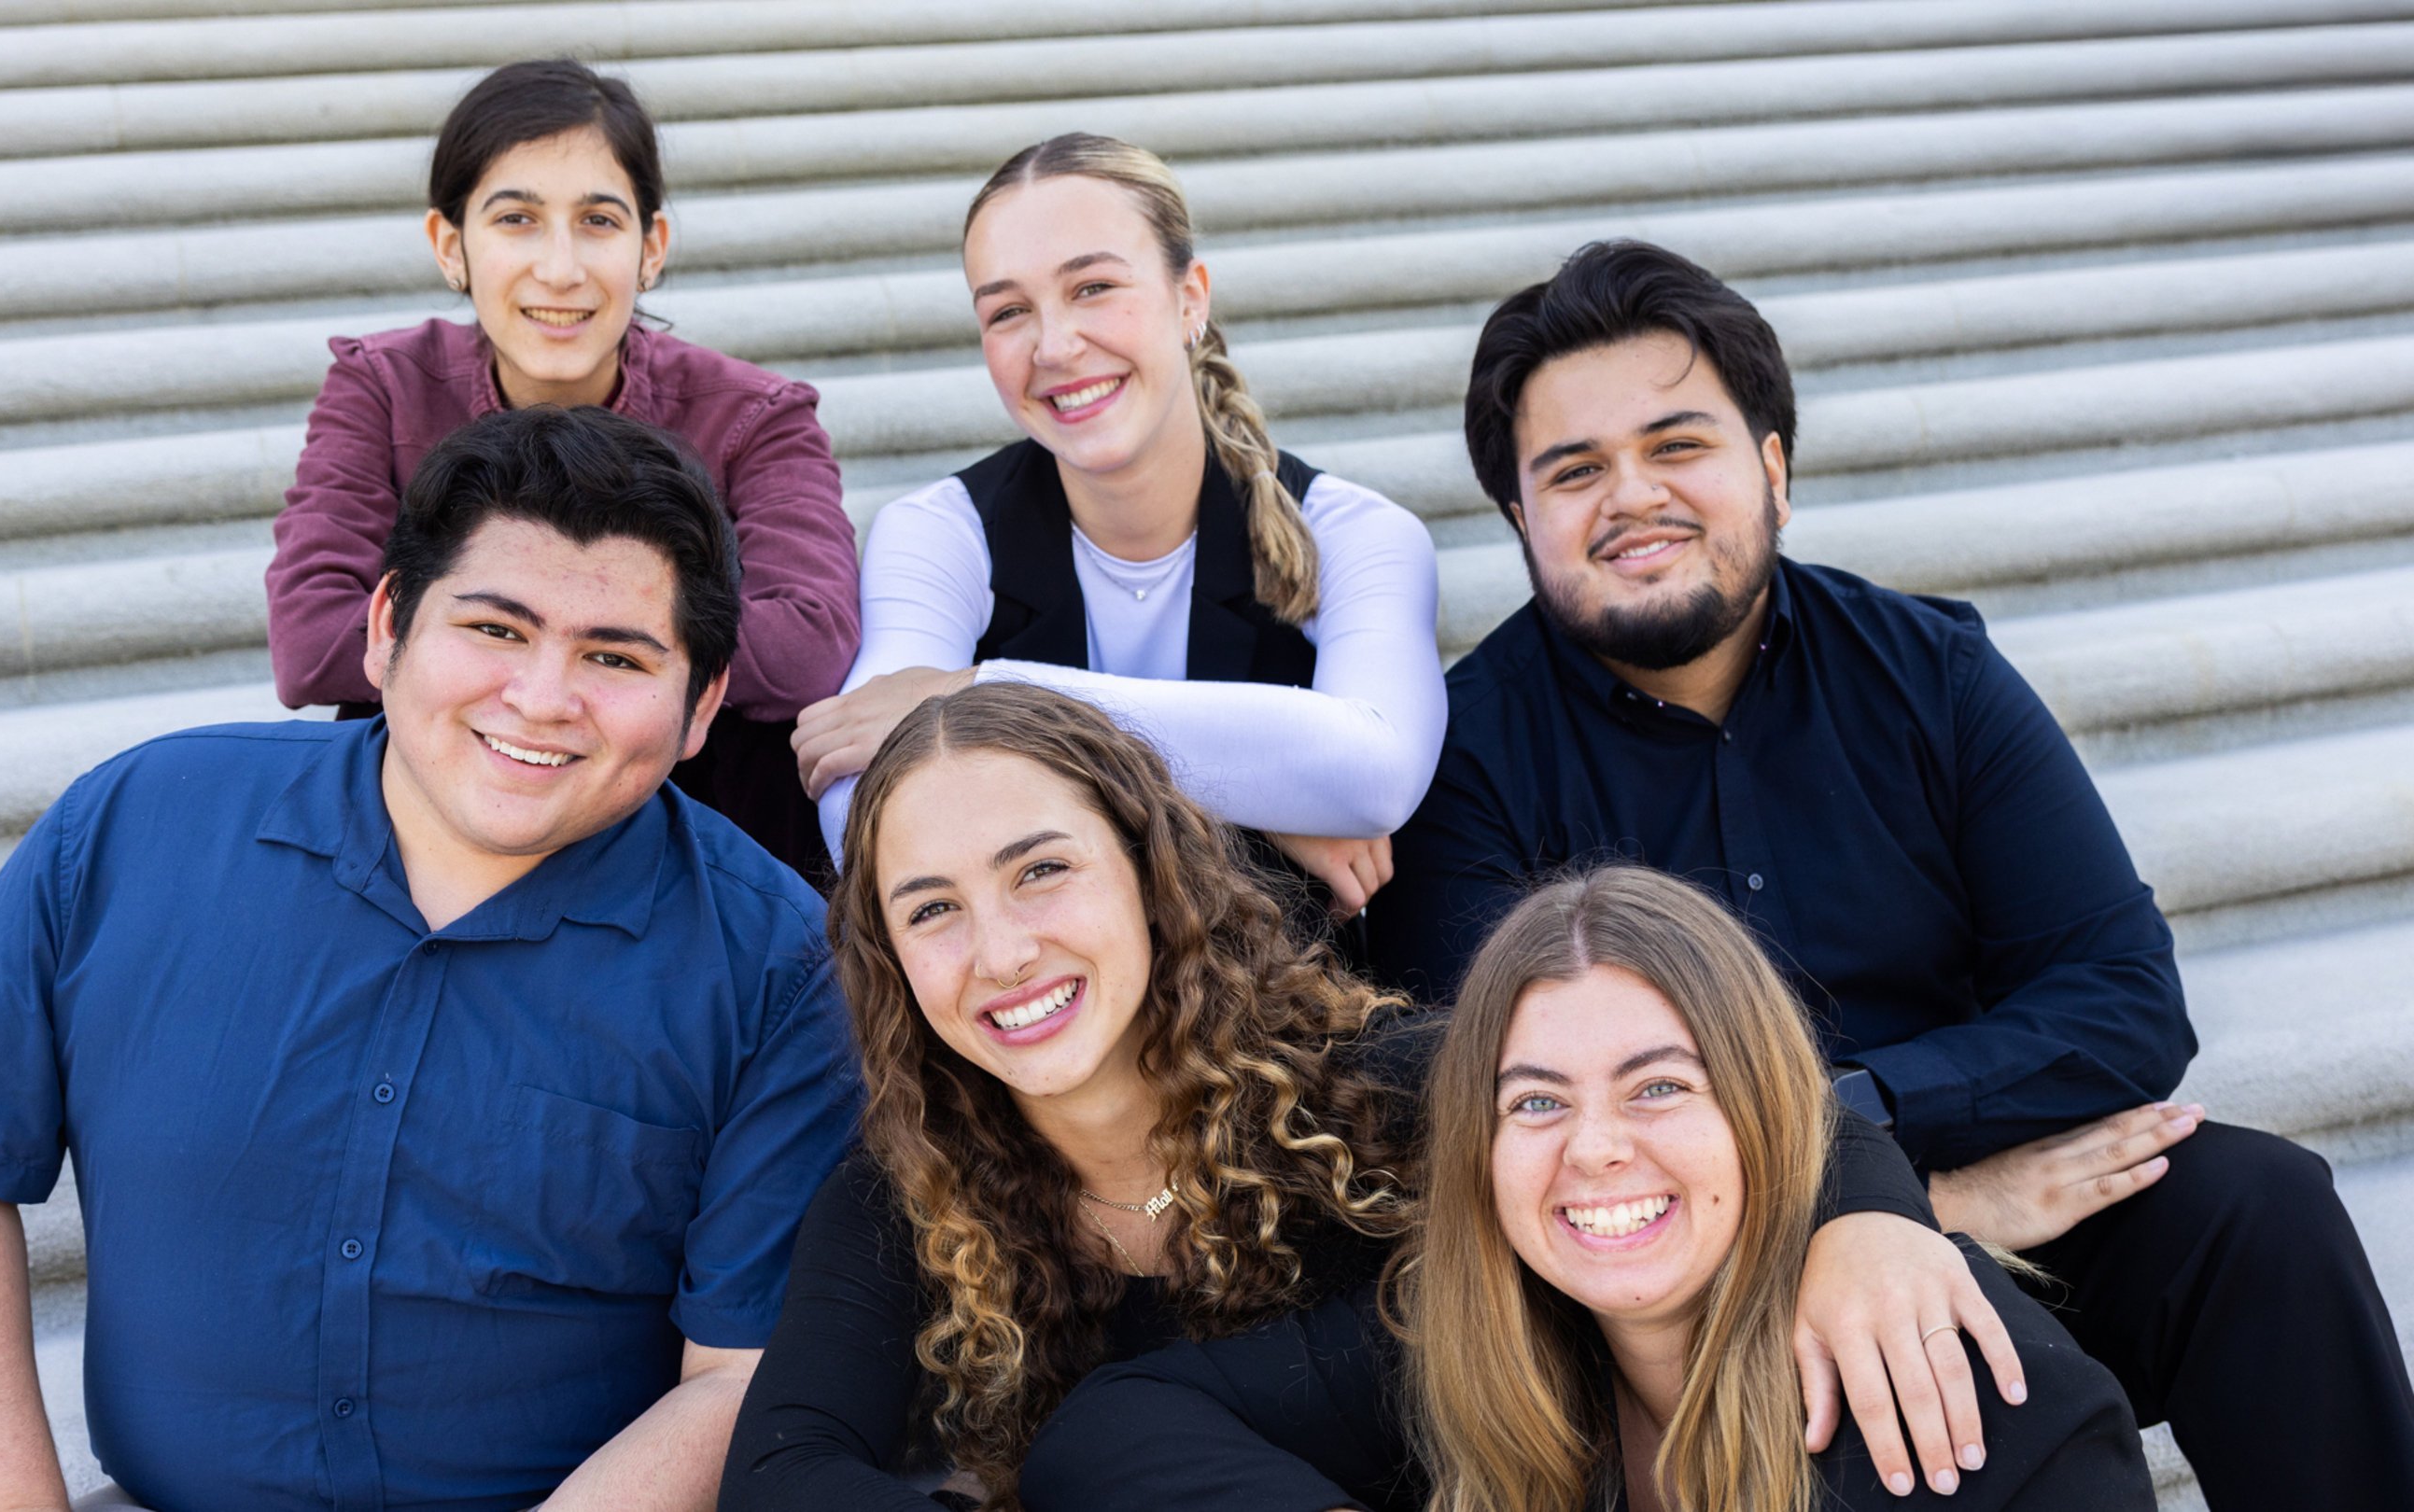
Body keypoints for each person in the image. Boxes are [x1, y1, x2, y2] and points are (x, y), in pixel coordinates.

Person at [1368, 239, 2414, 1508]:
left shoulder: (1932, 673)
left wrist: (1884, 1152)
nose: (1631, 495)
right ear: (1521, 519)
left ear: (1774, 470)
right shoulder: (1462, 755)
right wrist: (1904, 1198)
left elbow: (2124, 997)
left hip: (1972, 1190)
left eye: (1677, 445)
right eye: (1575, 470)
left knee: (2256, 1208)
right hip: (1658, 1257)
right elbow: (1473, 1088)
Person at [0, 406, 859, 1512]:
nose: (540, 699)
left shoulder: (778, 966)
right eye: (496, 629)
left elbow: (740, 1375)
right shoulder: (141, 821)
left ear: (703, 705)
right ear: (386, 628)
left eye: (613, 657)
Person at [726, 683, 2030, 1512]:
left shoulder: (1364, 1080)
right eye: (933, 910)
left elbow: (1737, 1101)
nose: (1002, 952)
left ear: (1147, 874)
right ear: (888, 958)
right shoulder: (912, 1187)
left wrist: (1869, 1220)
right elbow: (786, 1472)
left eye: (1040, 872)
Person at [1021, 866, 2156, 1512]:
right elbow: (1104, 1432)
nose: (1596, 1149)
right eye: (1535, 1103)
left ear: (1764, 1108)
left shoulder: (1981, 1404)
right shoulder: (1469, 1339)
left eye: (1659, 1087)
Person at [793, 133, 1444, 927]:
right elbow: (859, 811)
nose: (1055, 346)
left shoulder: (1355, 532)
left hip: (1281, 991)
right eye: (1007, 311)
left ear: (1190, 298)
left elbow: (1374, 771)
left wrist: (979, 693)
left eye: (1094, 287)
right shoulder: (939, 531)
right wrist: (1260, 803)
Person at [267, 58, 860, 879]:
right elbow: (309, 639)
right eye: (516, 219)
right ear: (451, 244)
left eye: (598, 221)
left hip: (686, 817)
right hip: (434, 809)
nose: (560, 269)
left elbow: (810, 643)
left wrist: (490, 638)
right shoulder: (385, 387)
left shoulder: (753, 415)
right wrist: (625, 657)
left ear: (651, 247)